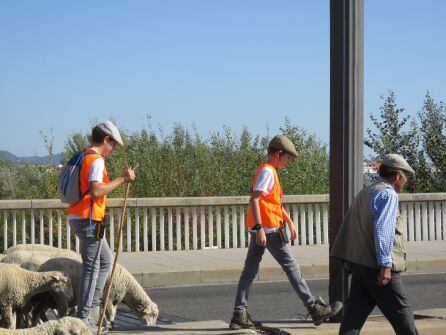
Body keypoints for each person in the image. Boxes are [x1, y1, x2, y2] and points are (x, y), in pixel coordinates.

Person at [230, 135, 343, 329]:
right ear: (278, 154)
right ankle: (314, 309)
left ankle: (239, 314)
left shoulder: (269, 170)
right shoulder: (268, 171)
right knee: (292, 268)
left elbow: (272, 202)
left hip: (266, 229)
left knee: (249, 271)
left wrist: (289, 221)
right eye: (288, 158)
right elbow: (254, 199)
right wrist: (260, 229)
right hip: (270, 231)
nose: (288, 162)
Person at [331, 154, 418, 335]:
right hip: (376, 266)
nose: (406, 181)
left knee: (353, 317)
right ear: (397, 176)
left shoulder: (366, 192)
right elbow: (383, 231)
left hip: (360, 264)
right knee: (403, 314)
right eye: (405, 176)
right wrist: (385, 265)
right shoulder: (388, 194)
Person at [67, 121, 136, 333]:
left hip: (80, 216)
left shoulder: (83, 155)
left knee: (104, 261)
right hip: (89, 220)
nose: (113, 149)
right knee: (92, 268)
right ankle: (84, 318)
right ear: (106, 139)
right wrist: (122, 179)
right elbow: (97, 191)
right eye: (113, 144)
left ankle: (93, 310)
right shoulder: (96, 160)